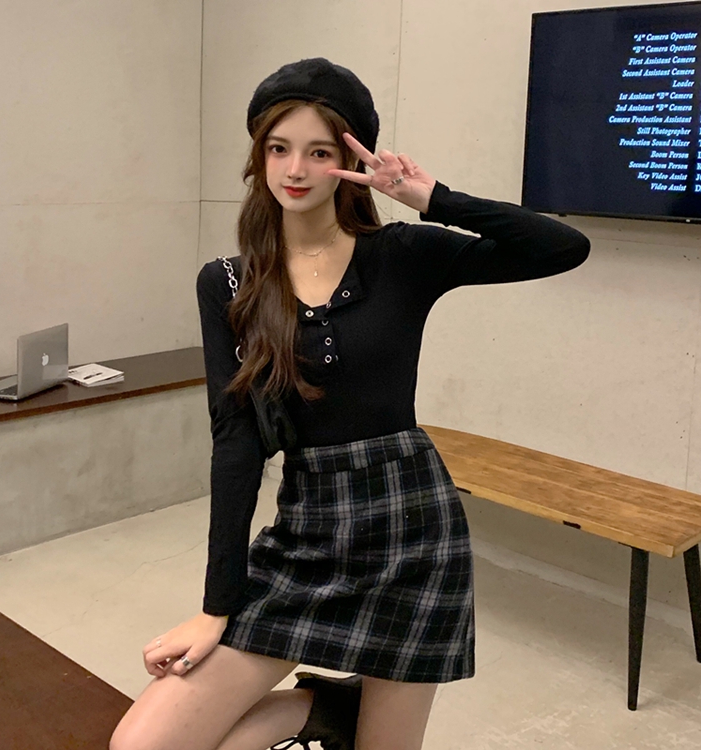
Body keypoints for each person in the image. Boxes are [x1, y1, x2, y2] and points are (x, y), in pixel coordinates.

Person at [110, 58, 590, 750]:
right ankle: (324, 709)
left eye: (319, 152)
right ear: (258, 156)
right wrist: (217, 607)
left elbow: (562, 247)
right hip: (308, 530)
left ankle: (335, 716)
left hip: (414, 530)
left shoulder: (400, 253)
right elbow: (235, 444)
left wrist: (431, 197)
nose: (294, 169)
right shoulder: (229, 284)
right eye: (279, 148)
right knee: (144, 745)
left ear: (348, 162)